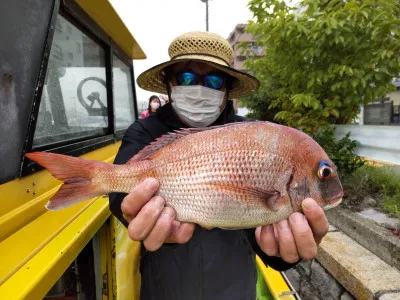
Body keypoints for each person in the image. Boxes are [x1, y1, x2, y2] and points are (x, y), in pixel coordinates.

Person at [109, 31, 329, 300]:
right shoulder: (144, 131)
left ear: (226, 91)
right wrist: (129, 210)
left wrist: (284, 252)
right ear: (169, 84)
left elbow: (264, 226)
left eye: (214, 80)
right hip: (163, 287)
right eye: (187, 78)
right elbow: (118, 190)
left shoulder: (255, 136)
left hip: (234, 288)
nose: (200, 88)